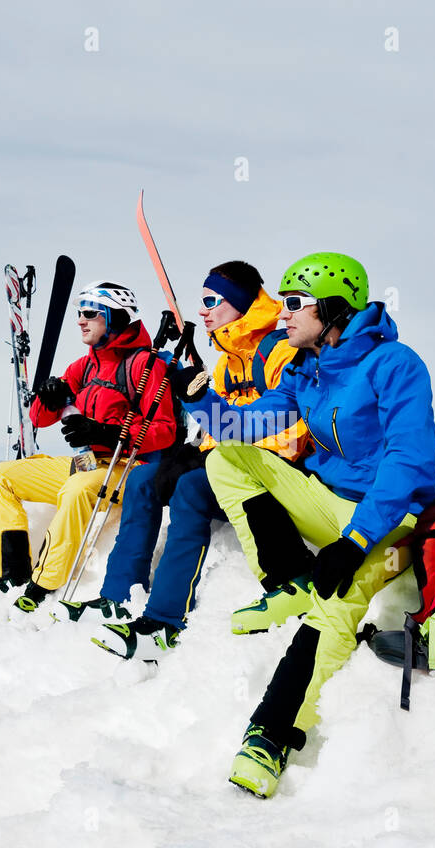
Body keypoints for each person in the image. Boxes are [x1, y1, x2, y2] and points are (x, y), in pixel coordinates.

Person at [173, 252, 435, 798]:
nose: (283, 315)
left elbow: (407, 461)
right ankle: (291, 579)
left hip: (391, 522)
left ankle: (270, 736)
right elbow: (244, 426)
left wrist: (356, 541)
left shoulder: (394, 364)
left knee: (339, 598)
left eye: (295, 305)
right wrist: (200, 399)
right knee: (225, 459)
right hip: (329, 504)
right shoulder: (306, 370)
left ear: (334, 309)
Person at [75, 261, 310, 661]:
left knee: (191, 487)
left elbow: (291, 432)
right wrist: (196, 449)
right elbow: (222, 425)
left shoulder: (281, 351)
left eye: (211, 301)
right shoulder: (226, 361)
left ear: (239, 305)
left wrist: (214, 459)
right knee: (143, 479)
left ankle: (165, 620)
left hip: (274, 472)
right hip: (232, 459)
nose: (202, 311)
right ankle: (118, 593)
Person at [0, 282, 177, 613]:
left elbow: (166, 431)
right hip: (87, 461)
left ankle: (43, 584)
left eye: (90, 314)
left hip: (128, 467)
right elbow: (39, 419)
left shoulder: (146, 365)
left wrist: (112, 433)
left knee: (78, 488)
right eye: (79, 314)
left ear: (115, 316)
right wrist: (48, 396)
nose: (81, 321)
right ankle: (10, 573)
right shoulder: (83, 367)